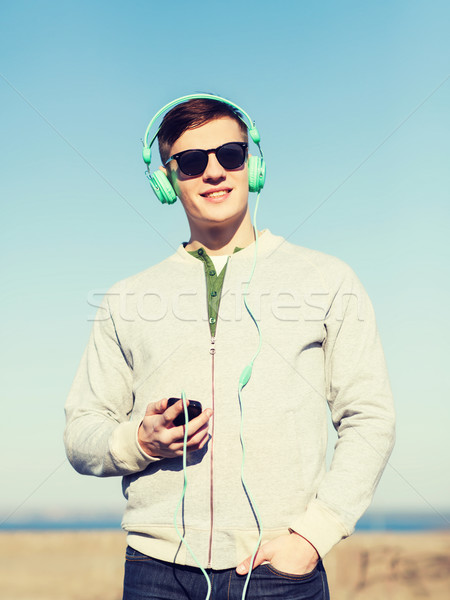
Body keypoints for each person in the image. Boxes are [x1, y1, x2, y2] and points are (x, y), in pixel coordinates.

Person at [64, 94, 395, 600]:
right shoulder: (124, 299)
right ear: (166, 182)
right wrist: (139, 441)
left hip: (280, 569)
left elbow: (369, 417)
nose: (214, 171)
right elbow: (81, 432)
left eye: (230, 155)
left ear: (253, 164)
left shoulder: (328, 278)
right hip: (157, 570)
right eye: (192, 162)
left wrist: (312, 536)